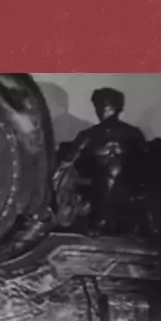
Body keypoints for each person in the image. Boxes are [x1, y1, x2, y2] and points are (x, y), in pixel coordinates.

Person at [60, 87, 152, 236]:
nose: (100, 111)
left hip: (119, 197)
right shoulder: (132, 134)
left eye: (104, 107)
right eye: (98, 107)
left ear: (116, 108)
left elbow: (145, 163)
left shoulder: (90, 135)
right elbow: (67, 163)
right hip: (106, 198)